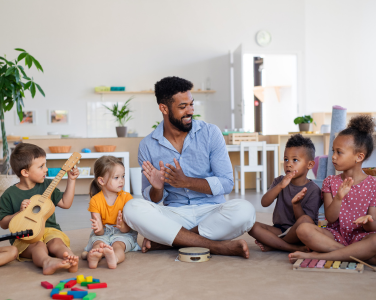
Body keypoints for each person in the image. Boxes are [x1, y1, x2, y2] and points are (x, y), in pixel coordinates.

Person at [123, 76, 256, 259]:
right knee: (131, 208)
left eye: (191, 104)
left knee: (245, 210)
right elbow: (152, 200)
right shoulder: (147, 145)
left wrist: (186, 182)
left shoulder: (210, 133)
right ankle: (216, 246)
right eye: (183, 106)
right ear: (163, 108)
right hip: (175, 213)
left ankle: (173, 240)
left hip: (212, 212)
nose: (190, 111)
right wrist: (157, 188)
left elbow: (226, 183)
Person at [289, 115, 376, 264]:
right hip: (334, 236)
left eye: (339, 152)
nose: (333, 157)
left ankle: (320, 256)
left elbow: (372, 227)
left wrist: (367, 221)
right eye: (333, 151)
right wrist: (339, 198)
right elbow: (330, 218)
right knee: (303, 229)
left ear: (359, 157)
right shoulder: (330, 181)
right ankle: (356, 253)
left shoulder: (373, 184)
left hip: (362, 237)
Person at [0, 143, 80, 275]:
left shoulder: (48, 184)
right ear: (25, 172)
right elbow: (3, 224)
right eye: (41, 166)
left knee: (56, 242)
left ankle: (69, 257)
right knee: (38, 245)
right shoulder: (9, 194)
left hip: (50, 230)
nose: (46, 169)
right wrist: (19, 213)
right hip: (25, 236)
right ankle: (46, 262)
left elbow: (66, 203)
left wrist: (71, 180)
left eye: (45, 164)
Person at [248, 134, 322, 252]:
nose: (289, 164)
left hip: (299, 233)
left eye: (295, 160)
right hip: (280, 230)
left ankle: (274, 243)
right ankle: (290, 247)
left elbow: (307, 223)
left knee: (305, 221)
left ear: (310, 164)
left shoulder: (314, 190)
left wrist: (296, 205)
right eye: (286, 159)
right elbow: (264, 203)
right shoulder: (280, 181)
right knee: (250, 225)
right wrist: (280, 186)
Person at [86, 156, 140, 269]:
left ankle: (114, 258)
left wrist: (122, 226)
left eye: (123, 176)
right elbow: (99, 233)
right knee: (98, 244)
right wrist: (99, 228)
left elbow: (128, 229)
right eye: (116, 177)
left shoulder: (127, 198)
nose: (121, 180)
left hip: (123, 233)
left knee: (118, 245)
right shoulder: (95, 200)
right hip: (104, 232)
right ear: (101, 181)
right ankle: (95, 256)